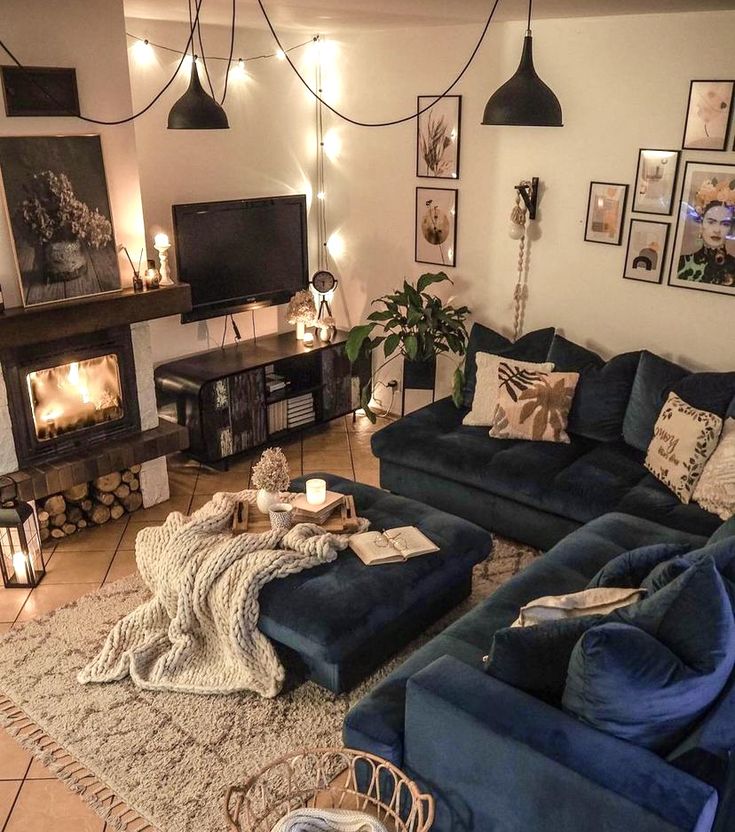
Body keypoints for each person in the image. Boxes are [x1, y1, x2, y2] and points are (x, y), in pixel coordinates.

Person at [678, 177, 735, 286]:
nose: (717, 230)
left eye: (725, 224)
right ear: (701, 223)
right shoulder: (681, 263)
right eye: (711, 222)